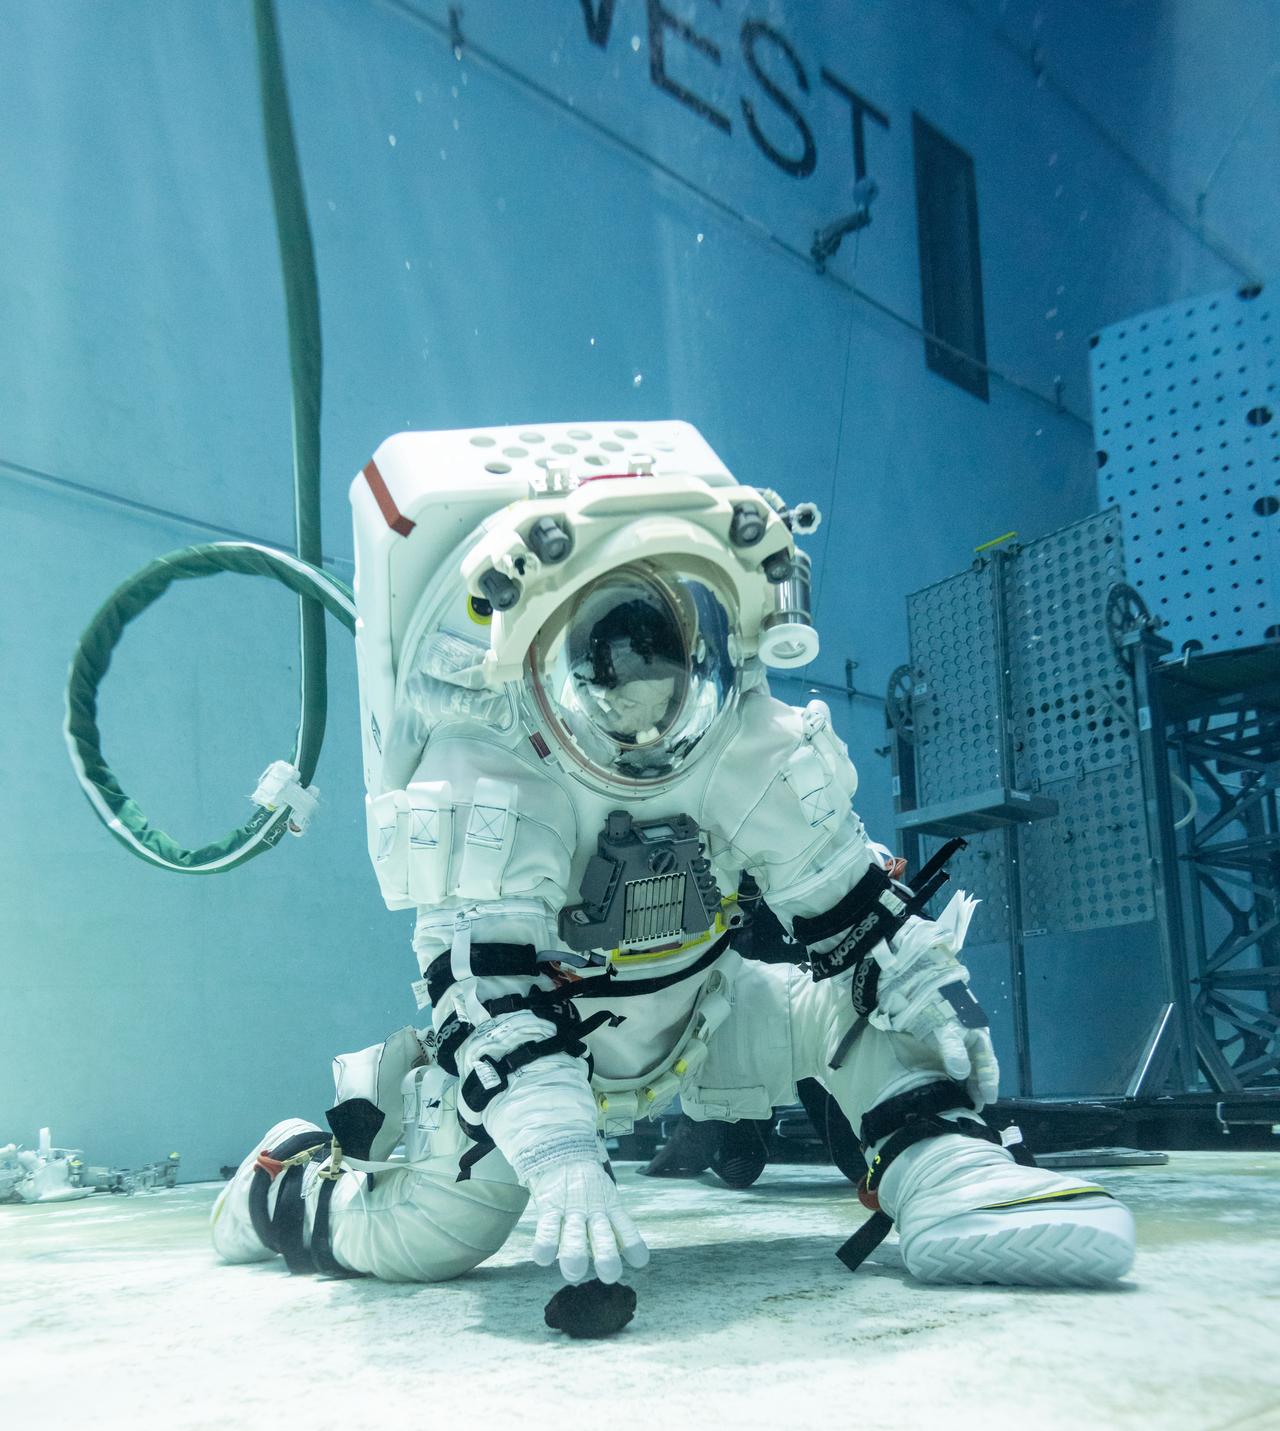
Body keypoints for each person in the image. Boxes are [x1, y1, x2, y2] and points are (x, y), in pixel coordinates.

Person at [212, 422, 1135, 1291]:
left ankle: (955, 1176)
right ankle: (279, 1183)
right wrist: (559, 1148)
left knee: (866, 1005)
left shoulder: (744, 745)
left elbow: (854, 913)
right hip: (545, 1062)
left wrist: (933, 994)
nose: (643, 708)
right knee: (421, 1244)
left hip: (713, 1017)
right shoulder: (492, 775)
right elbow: (490, 991)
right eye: (614, 676)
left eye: (661, 672)